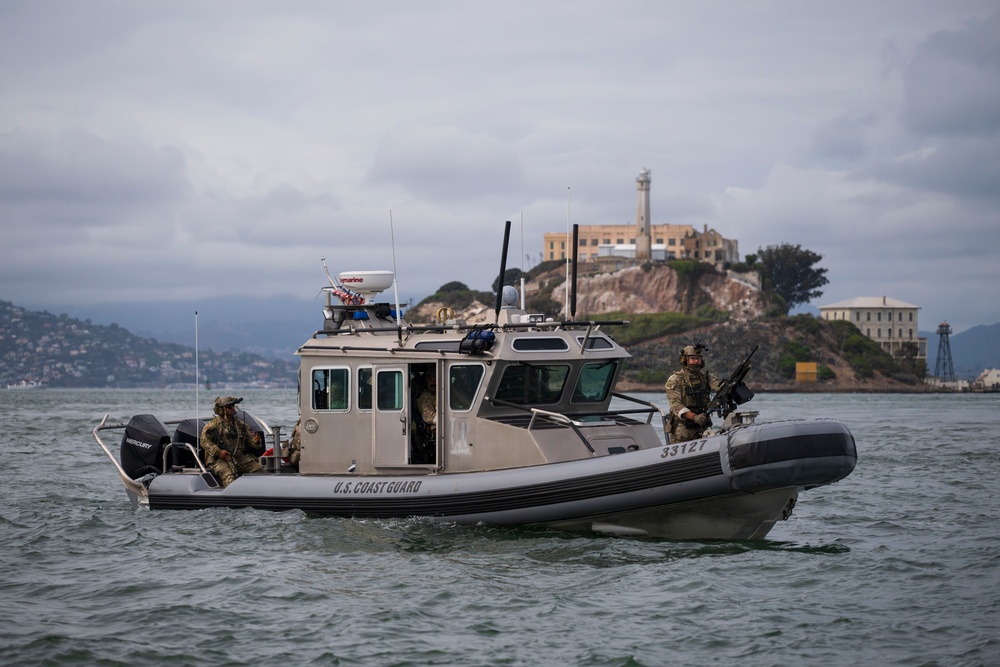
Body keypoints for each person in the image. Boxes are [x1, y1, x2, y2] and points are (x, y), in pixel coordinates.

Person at [200, 396, 264, 488]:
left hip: (237, 457)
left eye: (234, 406)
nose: (233, 409)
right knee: (229, 478)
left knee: (259, 469)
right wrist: (219, 452)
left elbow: (252, 441)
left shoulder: (239, 424)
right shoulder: (213, 425)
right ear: (222, 410)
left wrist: (256, 441)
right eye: (230, 407)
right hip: (219, 460)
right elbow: (204, 441)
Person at [665, 345, 724, 443]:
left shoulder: (706, 377)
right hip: (683, 428)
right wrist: (694, 417)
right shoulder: (675, 379)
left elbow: (717, 385)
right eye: (693, 358)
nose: (696, 361)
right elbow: (675, 405)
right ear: (685, 360)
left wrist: (726, 387)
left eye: (698, 359)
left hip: (703, 425)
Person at [413, 372, 437, 463]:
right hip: (435, 429)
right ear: (426, 382)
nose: (433, 382)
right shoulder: (424, 397)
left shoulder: (447, 393)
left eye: (435, 379)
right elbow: (429, 417)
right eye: (430, 379)